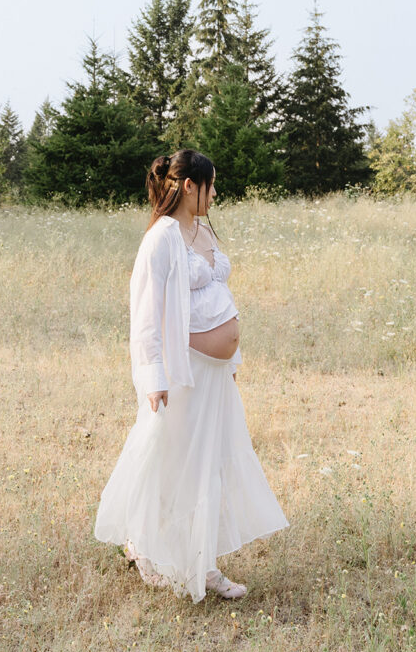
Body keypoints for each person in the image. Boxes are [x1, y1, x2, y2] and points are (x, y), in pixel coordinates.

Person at [93, 149, 289, 603]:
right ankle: (146, 548)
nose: (215, 193)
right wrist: (153, 376)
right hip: (181, 372)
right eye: (210, 185)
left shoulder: (199, 229)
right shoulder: (160, 239)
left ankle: (202, 561)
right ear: (187, 186)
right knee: (171, 461)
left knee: (209, 463)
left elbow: (217, 291)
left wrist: (231, 361)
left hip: (214, 373)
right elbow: (146, 313)